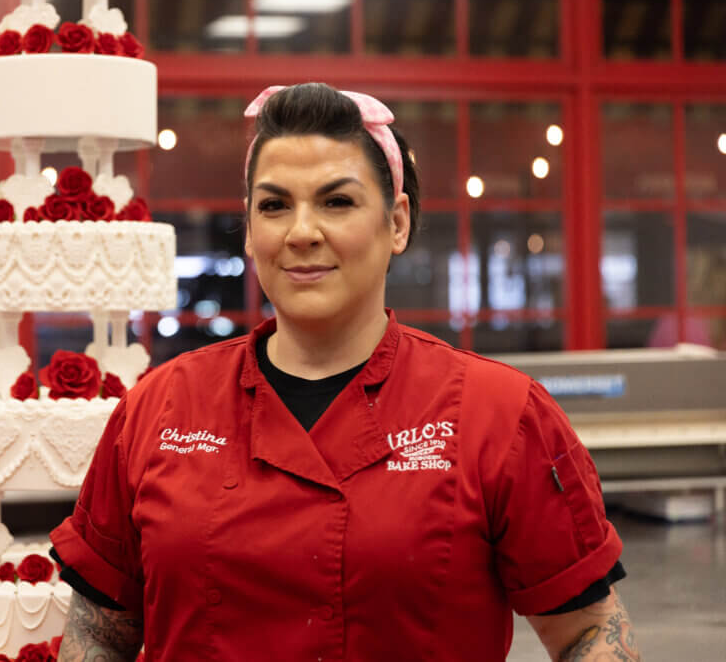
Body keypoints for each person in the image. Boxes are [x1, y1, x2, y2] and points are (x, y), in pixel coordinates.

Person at [49, 83, 638, 661]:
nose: (302, 232)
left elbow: (591, 633)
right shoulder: (160, 408)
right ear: (251, 232)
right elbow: (99, 634)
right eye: (275, 205)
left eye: (337, 201)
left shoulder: (500, 414)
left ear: (398, 223)